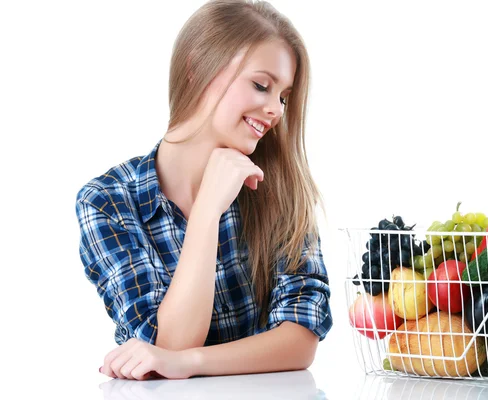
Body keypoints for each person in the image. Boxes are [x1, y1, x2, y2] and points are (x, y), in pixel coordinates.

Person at [75, 0, 333, 380]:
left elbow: (300, 337)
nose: (276, 110)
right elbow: (168, 344)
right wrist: (207, 211)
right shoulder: (107, 201)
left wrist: (190, 362)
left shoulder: (278, 186)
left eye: (283, 96)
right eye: (261, 85)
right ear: (198, 68)